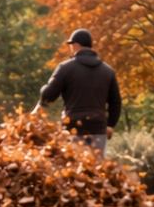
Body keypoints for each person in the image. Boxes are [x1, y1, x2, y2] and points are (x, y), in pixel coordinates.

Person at [31, 29, 122, 158]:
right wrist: (111, 124)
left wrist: (43, 93)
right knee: (96, 170)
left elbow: (49, 95)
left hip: (73, 128)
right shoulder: (108, 71)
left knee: (76, 170)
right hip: (98, 128)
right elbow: (116, 102)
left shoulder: (65, 68)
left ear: (75, 45)